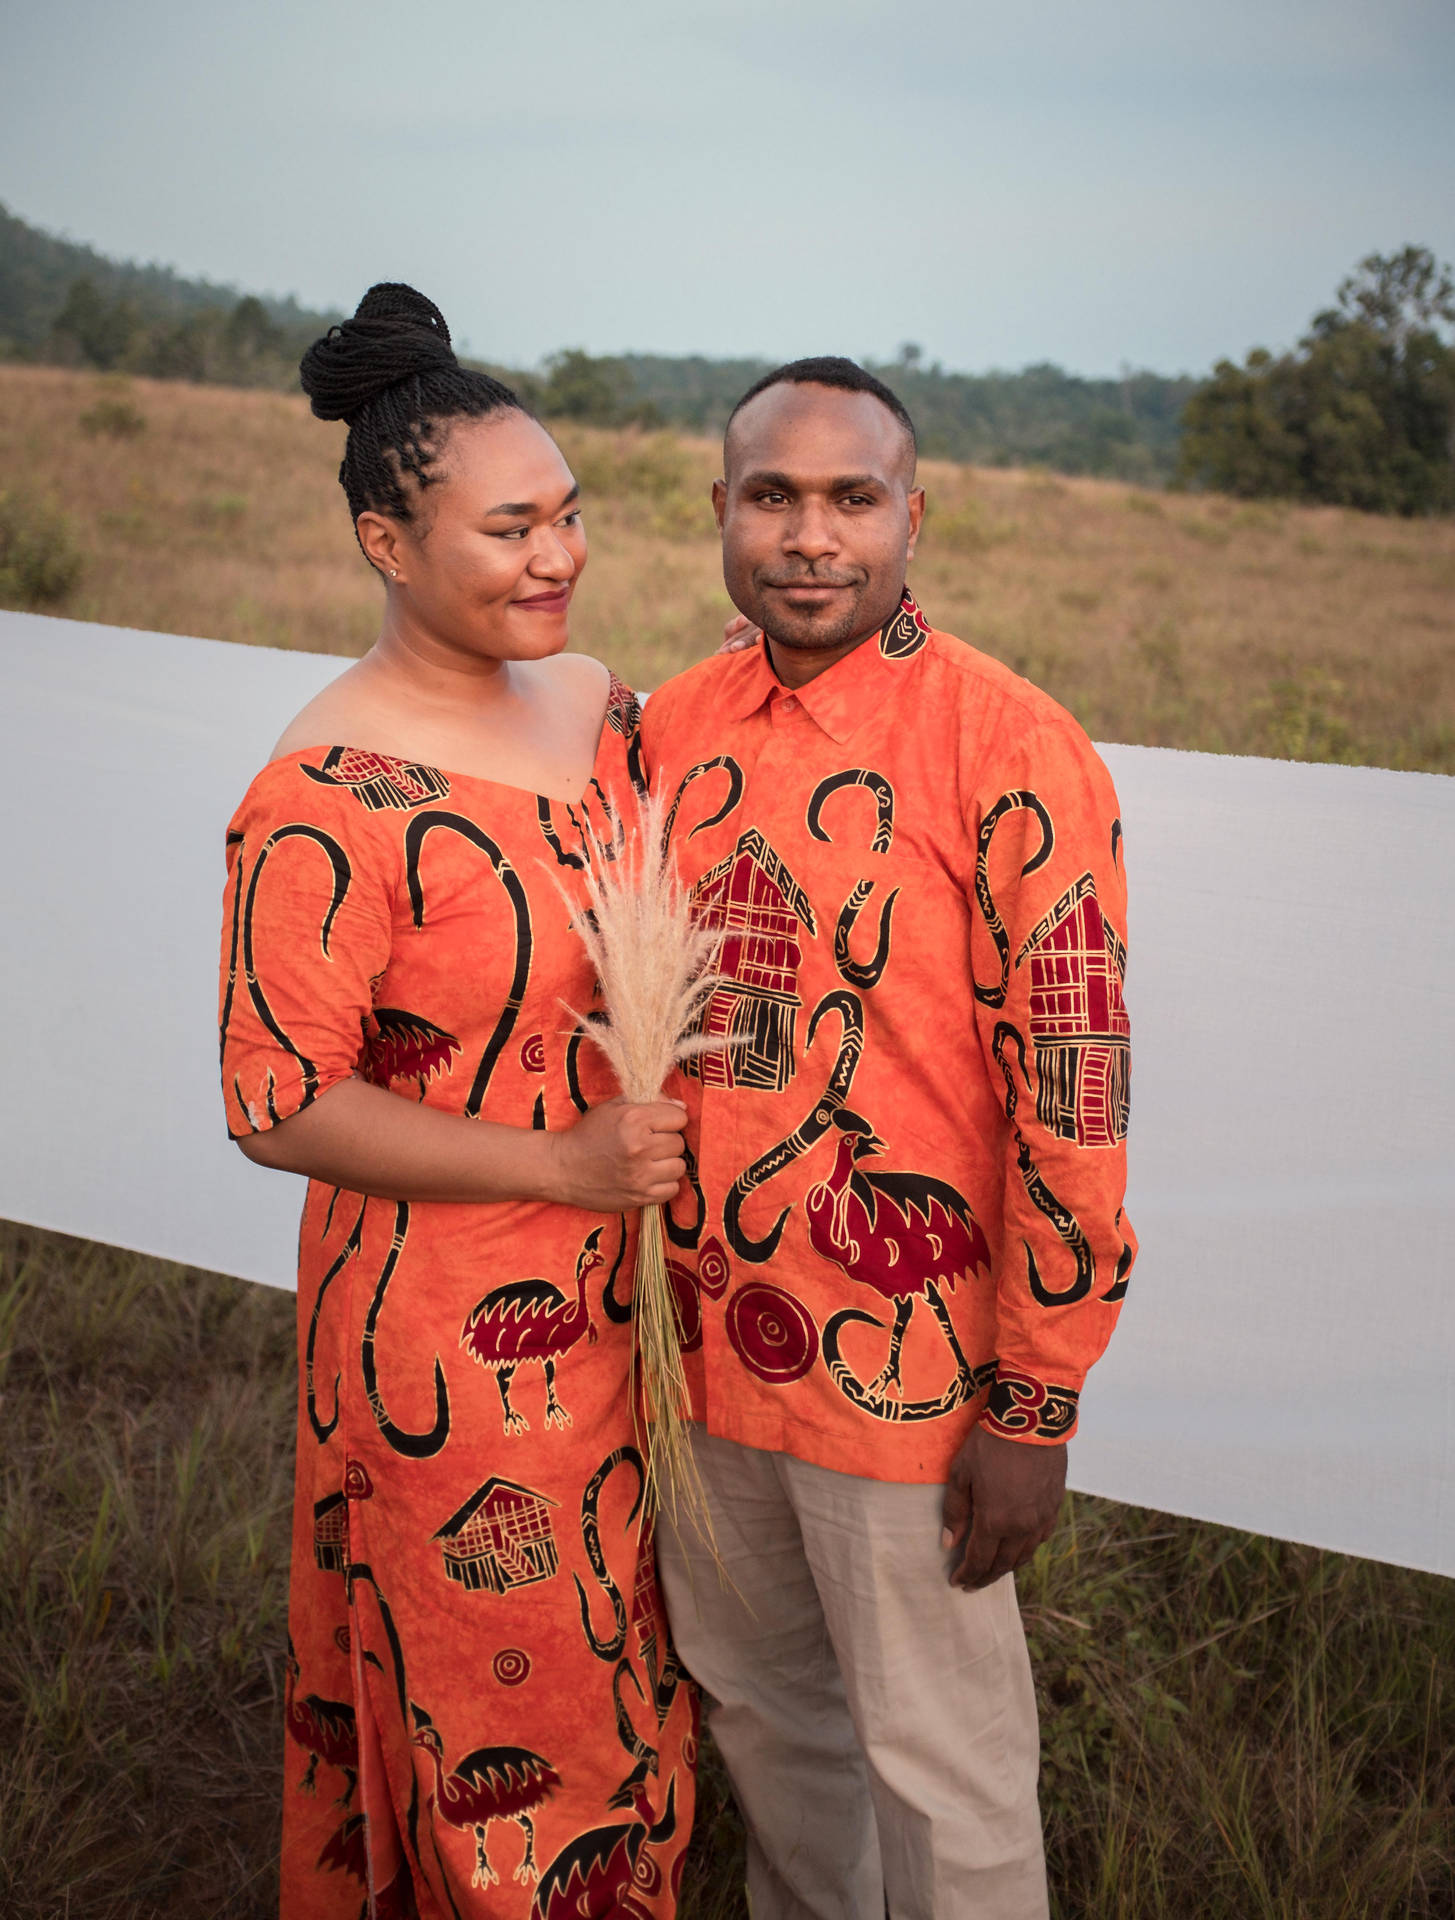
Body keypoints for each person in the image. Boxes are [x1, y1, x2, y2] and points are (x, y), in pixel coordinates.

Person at [218, 284, 696, 1917]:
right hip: (441, 1334)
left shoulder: (596, 701)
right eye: (508, 530)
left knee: (618, 1678)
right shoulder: (327, 789)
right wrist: (560, 1160)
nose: (558, 557)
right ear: (386, 544)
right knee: (497, 1710)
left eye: (569, 515)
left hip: (616, 1308)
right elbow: (275, 1103)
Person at [639, 358, 1135, 1919]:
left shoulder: (1011, 743)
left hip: (908, 1383)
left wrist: (1035, 1404)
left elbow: (1075, 1092)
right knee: (775, 1731)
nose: (810, 535)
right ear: (719, 512)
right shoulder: (669, 728)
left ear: (916, 518)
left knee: (946, 1773)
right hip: (696, 1349)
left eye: (852, 498)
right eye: (773, 497)